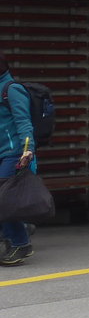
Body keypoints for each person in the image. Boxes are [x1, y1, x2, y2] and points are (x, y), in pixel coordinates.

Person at [0, 52, 36, 266]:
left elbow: (24, 122)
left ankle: (21, 244)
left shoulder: (12, 90)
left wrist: (27, 149)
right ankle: (18, 232)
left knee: (5, 201)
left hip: (13, 153)